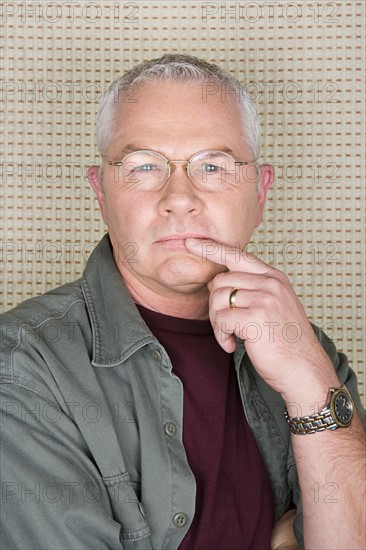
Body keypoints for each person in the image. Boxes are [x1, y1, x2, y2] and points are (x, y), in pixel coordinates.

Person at [0, 53, 365, 550]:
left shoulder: (308, 350)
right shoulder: (23, 365)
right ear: (101, 192)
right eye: (144, 166)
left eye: (212, 166)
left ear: (260, 192)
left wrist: (313, 386)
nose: (179, 197)